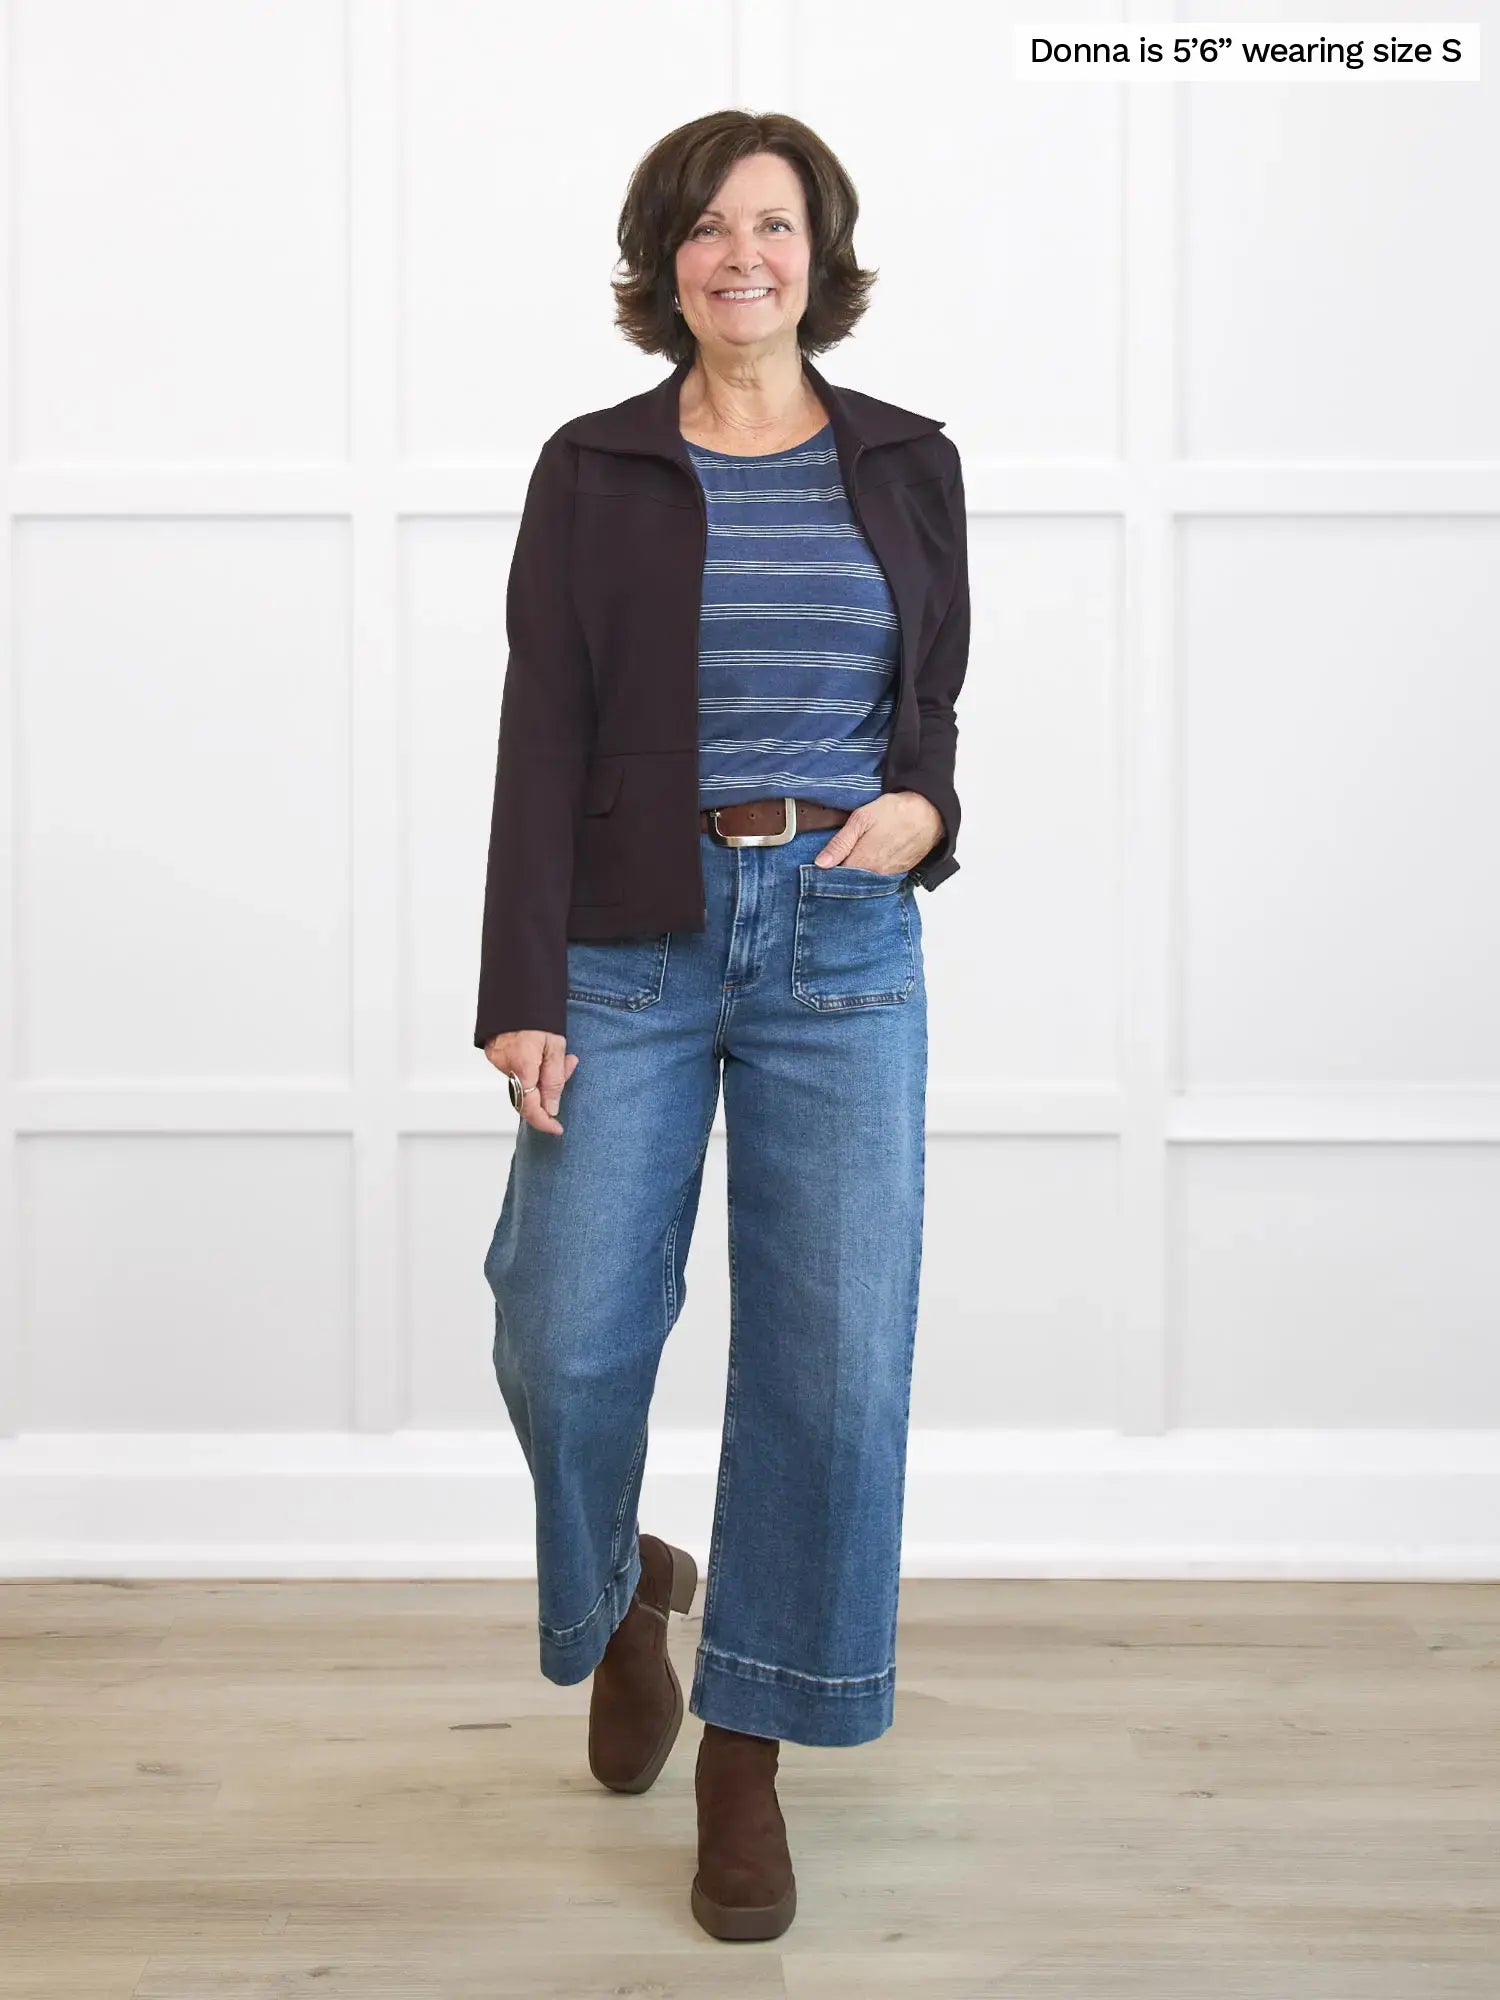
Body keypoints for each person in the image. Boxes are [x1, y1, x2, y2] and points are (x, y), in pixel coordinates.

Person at [476, 109, 970, 1943]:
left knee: (832, 1366)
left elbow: (930, 711)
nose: (737, 254)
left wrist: (925, 810)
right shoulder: (591, 468)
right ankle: (623, 1601)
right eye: (703, 227)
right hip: (627, 941)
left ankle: (748, 1749)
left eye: (772, 224)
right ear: (662, 259)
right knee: (565, 1332)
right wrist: (520, 988)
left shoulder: (908, 460)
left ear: (819, 254)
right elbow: (538, 733)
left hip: (841, 935)